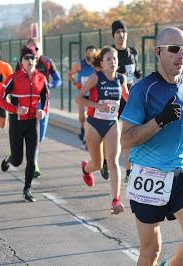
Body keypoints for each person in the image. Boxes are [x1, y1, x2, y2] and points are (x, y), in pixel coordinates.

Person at [120, 27, 183, 266]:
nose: (181, 55)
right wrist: (158, 121)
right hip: (150, 175)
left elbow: (182, 121)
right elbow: (126, 139)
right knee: (150, 250)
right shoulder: (142, 90)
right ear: (158, 52)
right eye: (174, 49)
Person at [75, 46, 129, 214]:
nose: (112, 62)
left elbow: (127, 97)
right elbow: (78, 99)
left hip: (112, 124)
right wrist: (98, 105)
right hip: (94, 124)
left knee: (112, 162)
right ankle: (86, 168)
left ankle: (115, 200)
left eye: (114, 59)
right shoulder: (95, 78)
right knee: (97, 164)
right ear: (102, 63)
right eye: (108, 59)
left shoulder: (121, 79)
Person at [0, 46, 49, 202]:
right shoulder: (13, 78)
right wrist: (15, 109)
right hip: (17, 123)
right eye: (26, 58)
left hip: (33, 123)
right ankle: (9, 159)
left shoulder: (41, 78)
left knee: (32, 159)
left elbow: (46, 100)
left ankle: (27, 189)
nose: (30, 61)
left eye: (33, 58)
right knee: (18, 160)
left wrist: (43, 112)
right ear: (21, 62)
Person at [17, 38, 61, 178]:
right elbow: (15, 80)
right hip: (26, 104)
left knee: (39, 136)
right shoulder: (22, 62)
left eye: (36, 49)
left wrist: (49, 86)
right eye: (30, 51)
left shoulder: (47, 62)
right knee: (29, 135)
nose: (33, 53)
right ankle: (34, 164)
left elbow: (58, 79)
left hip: (42, 104)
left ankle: (31, 158)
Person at [106, 20, 141, 182]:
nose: (121, 35)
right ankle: (107, 160)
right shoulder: (110, 54)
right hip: (112, 100)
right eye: (118, 32)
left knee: (128, 138)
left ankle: (129, 172)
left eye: (124, 31)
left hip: (129, 99)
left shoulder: (133, 52)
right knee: (113, 138)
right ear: (113, 35)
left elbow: (136, 73)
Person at [68, 45, 97, 149]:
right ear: (86, 53)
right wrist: (76, 83)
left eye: (93, 52)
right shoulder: (80, 64)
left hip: (94, 95)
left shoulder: (97, 65)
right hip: (83, 94)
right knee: (82, 116)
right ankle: (82, 129)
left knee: (91, 116)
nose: (91, 54)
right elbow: (70, 74)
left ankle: (86, 136)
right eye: (89, 52)